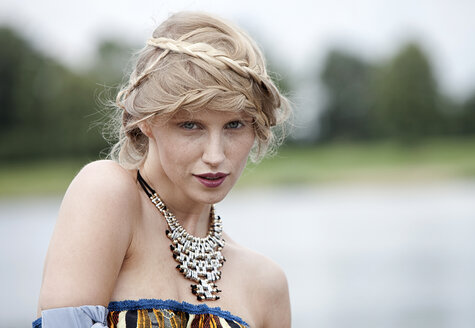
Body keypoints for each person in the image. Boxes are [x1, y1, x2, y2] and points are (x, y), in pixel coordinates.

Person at [33, 11, 291, 328]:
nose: (215, 155)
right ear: (147, 121)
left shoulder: (267, 285)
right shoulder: (106, 193)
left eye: (234, 125)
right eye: (190, 125)